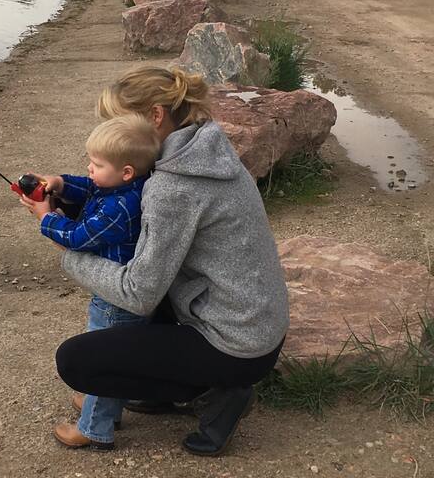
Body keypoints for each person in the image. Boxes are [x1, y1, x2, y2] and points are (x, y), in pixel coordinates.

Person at [21, 66, 289, 456]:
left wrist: (69, 250)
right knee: (126, 319)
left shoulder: (174, 187)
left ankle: (220, 392)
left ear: (155, 116)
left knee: (77, 361)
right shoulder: (201, 149)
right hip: (255, 325)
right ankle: (160, 389)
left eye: (116, 123)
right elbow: (128, 206)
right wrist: (68, 194)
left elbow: (138, 292)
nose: (110, 133)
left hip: (234, 346)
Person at [29, 114, 161, 449]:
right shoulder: (128, 186)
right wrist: (60, 184)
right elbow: (90, 188)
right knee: (114, 355)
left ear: (126, 171)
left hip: (115, 298)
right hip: (117, 294)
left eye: (97, 164)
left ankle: (94, 428)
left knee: (103, 360)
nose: (90, 168)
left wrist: (45, 217)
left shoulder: (119, 208)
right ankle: (103, 406)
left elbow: (77, 237)